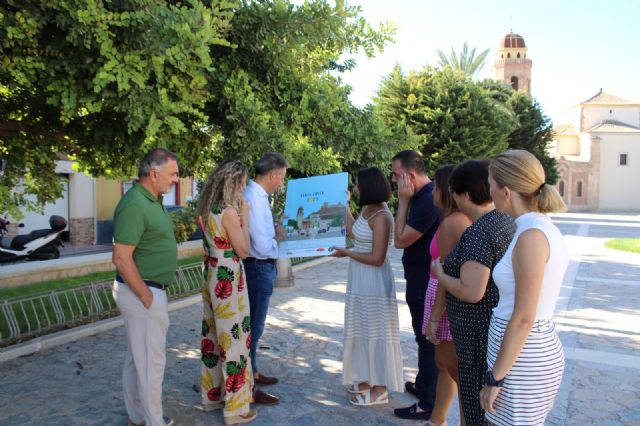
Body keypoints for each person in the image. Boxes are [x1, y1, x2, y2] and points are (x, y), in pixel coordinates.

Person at [480, 150, 569, 425]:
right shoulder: (532, 228)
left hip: (523, 361)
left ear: (506, 191)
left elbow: (524, 317)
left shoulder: (532, 236)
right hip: (519, 357)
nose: (489, 190)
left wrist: (495, 377)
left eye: (491, 183)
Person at [431, 159, 515, 426]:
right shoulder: (505, 221)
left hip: (476, 336)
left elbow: (472, 292)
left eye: (454, 193)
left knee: (477, 409)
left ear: (465, 196)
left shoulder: (479, 232)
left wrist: (442, 274)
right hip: (490, 330)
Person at [111, 148, 180, 426]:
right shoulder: (135, 204)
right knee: (152, 364)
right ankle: (154, 422)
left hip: (148, 291)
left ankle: (138, 416)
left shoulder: (151, 199)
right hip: (143, 293)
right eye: (173, 174)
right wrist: (147, 297)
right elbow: (121, 257)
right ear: (154, 174)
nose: (176, 179)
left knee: (136, 361)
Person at [331, 167, 404, 406]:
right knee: (361, 329)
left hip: (374, 282)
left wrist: (348, 253)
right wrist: (344, 206)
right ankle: (366, 378)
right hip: (359, 278)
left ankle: (380, 388)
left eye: (358, 185)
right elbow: (354, 232)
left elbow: (378, 258)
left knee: (376, 331)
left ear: (369, 187)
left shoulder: (383, 215)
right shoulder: (367, 208)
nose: (355, 188)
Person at [197, 160, 257, 425]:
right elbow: (244, 250)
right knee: (234, 337)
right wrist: (245, 217)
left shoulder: (210, 208)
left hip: (212, 271)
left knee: (213, 335)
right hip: (228, 275)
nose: (243, 189)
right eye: (242, 183)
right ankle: (235, 409)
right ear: (233, 182)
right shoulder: (229, 212)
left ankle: (213, 396)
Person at [391, 150, 441, 420]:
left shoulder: (426, 200)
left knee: (426, 340)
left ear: (410, 176)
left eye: (396, 176)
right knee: (421, 335)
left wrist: (402, 203)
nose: (394, 181)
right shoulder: (422, 197)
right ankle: (423, 386)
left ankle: (427, 403)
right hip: (419, 275)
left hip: (425, 279)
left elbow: (400, 239)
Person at [423, 165, 472, 426]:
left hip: (446, 303)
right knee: (446, 367)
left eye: (435, 185)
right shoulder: (451, 219)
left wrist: (434, 317)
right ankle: (437, 420)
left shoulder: (454, 222)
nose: (432, 190)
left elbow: (447, 272)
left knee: (454, 369)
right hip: (443, 299)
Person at [242, 152, 287, 404]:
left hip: (259, 267)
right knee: (254, 327)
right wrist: (277, 237)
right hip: (258, 266)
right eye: (281, 177)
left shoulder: (258, 196)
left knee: (255, 326)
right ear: (272, 174)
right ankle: (247, 384)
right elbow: (260, 243)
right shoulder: (254, 198)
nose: (281, 182)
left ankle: (253, 372)